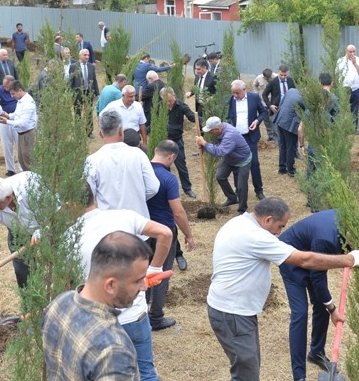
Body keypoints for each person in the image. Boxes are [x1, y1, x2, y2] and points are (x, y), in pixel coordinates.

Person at [205, 197, 359, 381]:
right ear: (268, 219)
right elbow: (304, 260)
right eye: (280, 226)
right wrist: (349, 260)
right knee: (246, 374)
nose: (281, 233)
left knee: (251, 363)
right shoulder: (257, 237)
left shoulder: (239, 223)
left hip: (238, 310)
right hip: (231, 313)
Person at [74, 203, 185, 381]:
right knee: (148, 377)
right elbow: (166, 233)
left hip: (102, 324)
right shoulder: (123, 216)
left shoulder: (69, 233)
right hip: (136, 318)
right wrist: (154, 268)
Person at [42, 230, 155, 381]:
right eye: (138, 280)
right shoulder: (112, 348)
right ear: (110, 285)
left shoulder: (59, 304)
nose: (144, 286)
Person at [278, 209, 359, 381]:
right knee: (300, 314)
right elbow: (318, 277)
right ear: (351, 228)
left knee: (321, 304)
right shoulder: (326, 237)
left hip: (312, 253)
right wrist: (332, 308)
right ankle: (298, 380)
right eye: (358, 240)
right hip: (291, 259)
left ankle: (316, 352)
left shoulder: (346, 222)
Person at [146, 140, 195, 332]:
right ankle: (156, 317)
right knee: (160, 273)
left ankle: (140, 311)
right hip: (164, 232)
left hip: (142, 230)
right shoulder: (168, 178)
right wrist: (188, 235)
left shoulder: (141, 172)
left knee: (142, 270)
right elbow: (178, 212)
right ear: (172, 157)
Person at [86, 111, 160, 219]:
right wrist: (136, 198)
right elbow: (153, 187)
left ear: (101, 133)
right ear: (121, 131)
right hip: (139, 224)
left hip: (109, 226)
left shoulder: (92, 160)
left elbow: (88, 195)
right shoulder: (138, 154)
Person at [197, 116, 252, 214]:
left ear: (217, 129)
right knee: (220, 176)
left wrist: (205, 143)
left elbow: (220, 152)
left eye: (210, 131)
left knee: (241, 186)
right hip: (230, 157)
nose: (209, 134)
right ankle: (232, 198)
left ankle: (242, 210)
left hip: (242, 159)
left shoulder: (230, 135)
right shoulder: (222, 128)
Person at [225, 79, 268, 201]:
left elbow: (263, 112)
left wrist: (257, 121)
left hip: (250, 136)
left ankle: (259, 190)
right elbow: (227, 116)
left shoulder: (254, 97)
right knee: (236, 164)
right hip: (236, 139)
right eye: (233, 92)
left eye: (237, 93)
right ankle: (238, 190)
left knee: (254, 163)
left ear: (245, 90)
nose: (235, 95)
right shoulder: (231, 100)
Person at [161, 86, 196, 199]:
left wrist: (199, 119)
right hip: (164, 141)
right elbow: (153, 121)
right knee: (163, 166)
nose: (169, 103)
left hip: (177, 140)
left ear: (174, 96)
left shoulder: (181, 106)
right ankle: (165, 188)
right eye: (166, 101)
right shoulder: (159, 107)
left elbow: (191, 117)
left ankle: (187, 189)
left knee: (181, 165)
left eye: (170, 100)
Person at [0, 81, 37, 173]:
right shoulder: (20, 101)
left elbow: (23, 123)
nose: (12, 96)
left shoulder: (28, 102)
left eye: (13, 94)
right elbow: (17, 114)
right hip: (21, 134)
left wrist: (7, 122)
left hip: (28, 135)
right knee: (22, 160)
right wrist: (9, 116)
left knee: (28, 161)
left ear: (20, 90)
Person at [274, 85, 304, 177]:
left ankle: (282, 168)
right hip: (290, 124)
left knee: (282, 146)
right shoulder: (304, 99)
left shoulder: (291, 90)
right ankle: (291, 170)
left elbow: (281, 103)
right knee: (291, 147)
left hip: (280, 119)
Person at [0, 75, 19, 176]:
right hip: (4, 120)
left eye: (7, 86)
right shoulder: (0, 89)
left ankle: (21, 168)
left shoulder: (18, 90)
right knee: (6, 145)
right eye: (4, 86)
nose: (5, 88)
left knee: (19, 145)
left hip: (17, 120)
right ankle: (10, 169)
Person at [70, 48, 99, 136]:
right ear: (80, 56)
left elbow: (94, 80)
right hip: (78, 93)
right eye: (85, 55)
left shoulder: (91, 66)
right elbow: (71, 80)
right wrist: (70, 93)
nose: (87, 57)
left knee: (89, 112)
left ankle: (89, 132)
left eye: (88, 55)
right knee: (77, 112)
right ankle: (78, 132)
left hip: (88, 92)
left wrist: (97, 93)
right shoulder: (74, 66)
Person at [337, 45, 359, 130]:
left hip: (355, 88)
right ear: (346, 51)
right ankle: (342, 127)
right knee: (342, 108)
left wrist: (355, 63)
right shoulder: (341, 61)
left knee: (354, 108)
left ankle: (354, 128)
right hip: (343, 88)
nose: (352, 53)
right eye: (350, 52)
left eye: (354, 51)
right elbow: (336, 74)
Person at [251, 69, 275, 140]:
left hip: (273, 102)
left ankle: (275, 136)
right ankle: (270, 135)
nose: (268, 79)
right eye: (266, 78)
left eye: (269, 77)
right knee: (266, 120)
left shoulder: (276, 77)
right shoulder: (259, 78)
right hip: (263, 102)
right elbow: (254, 85)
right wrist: (256, 93)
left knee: (273, 120)